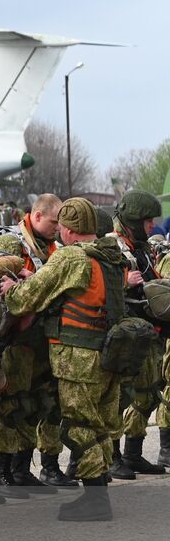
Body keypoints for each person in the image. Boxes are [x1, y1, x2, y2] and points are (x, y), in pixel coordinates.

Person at [1, 197, 129, 521]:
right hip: (110, 355)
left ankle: (95, 500)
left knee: (78, 426)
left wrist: (11, 288)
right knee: (100, 426)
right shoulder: (112, 257)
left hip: (78, 358)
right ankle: (100, 492)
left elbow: (25, 299)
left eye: (61, 228)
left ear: (69, 230)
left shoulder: (70, 257)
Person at [0, 194, 76, 490]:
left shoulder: (53, 247)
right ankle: (1, 471)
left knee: (39, 404)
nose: (57, 227)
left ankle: (23, 469)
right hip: (18, 341)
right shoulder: (11, 243)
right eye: (53, 221)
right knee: (13, 404)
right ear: (36, 216)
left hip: (44, 338)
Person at [110, 190, 168, 478]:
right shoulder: (112, 247)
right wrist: (122, 280)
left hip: (146, 333)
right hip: (124, 335)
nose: (151, 227)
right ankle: (112, 455)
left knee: (148, 394)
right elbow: (93, 286)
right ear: (132, 221)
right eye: (147, 222)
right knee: (120, 397)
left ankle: (133, 453)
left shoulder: (141, 249)